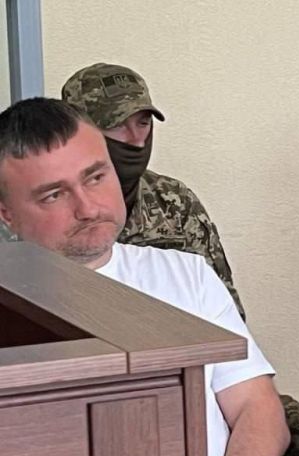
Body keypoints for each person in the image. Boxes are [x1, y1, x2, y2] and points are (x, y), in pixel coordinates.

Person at [0, 97, 288, 456]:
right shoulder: (12, 304)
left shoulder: (187, 275)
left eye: (95, 177)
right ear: (7, 214)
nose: (87, 208)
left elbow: (258, 409)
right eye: (54, 195)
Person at [0, 62, 246, 319]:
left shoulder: (175, 208)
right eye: (117, 125)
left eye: (143, 123)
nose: (136, 140)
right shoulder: (15, 267)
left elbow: (222, 312)